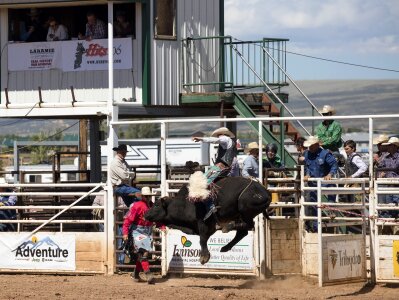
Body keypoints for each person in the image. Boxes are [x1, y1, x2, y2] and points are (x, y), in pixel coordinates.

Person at [192, 127, 237, 220]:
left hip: (221, 166)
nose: (218, 136)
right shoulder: (229, 142)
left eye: (219, 134)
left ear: (223, 134)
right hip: (225, 166)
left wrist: (201, 139)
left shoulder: (225, 139)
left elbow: (215, 140)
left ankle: (210, 205)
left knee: (202, 182)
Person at [122, 186, 158, 284]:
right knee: (143, 252)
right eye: (145, 196)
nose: (147, 198)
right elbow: (128, 220)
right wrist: (125, 233)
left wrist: (162, 226)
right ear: (142, 196)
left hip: (147, 231)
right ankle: (148, 274)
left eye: (148, 196)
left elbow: (157, 217)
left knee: (141, 254)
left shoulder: (152, 206)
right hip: (137, 230)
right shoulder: (137, 206)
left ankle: (136, 275)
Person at [303, 136, 338, 232]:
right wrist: (306, 174)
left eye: (311, 146)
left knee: (331, 189)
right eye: (309, 146)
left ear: (317, 145)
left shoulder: (325, 154)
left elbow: (334, 164)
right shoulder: (307, 154)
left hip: (324, 181)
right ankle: (316, 228)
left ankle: (331, 209)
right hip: (313, 183)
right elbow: (306, 167)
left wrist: (330, 174)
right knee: (314, 206)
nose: (309, 148)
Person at [377, 137, 399, 219]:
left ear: (394, 146)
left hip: (396, 186)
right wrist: (380, 173)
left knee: (395, 206)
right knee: (387, 207)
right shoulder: (386, 157)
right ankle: (388, 226)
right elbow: (379, 169)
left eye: (389, 145)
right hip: (388, 186)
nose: (387, 147)